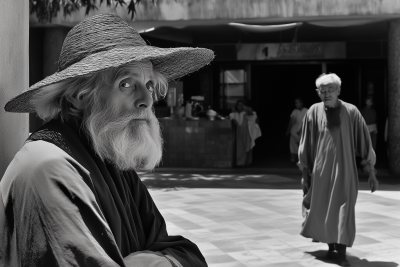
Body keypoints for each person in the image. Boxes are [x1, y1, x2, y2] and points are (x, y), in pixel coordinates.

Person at [0, 13, 214, 267]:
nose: (147, 99)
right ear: (79, 96)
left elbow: (182, 251)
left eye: (148, 84)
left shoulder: (108, 158)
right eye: (126, 83)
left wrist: (156, 262)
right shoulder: (48, 166)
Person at [298, 73, 379, 267]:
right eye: (322, 91)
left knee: (344, 210)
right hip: (320, 172)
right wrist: (304, 175)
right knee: (325, 209)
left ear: (338, 91)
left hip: (345, 172)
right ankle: (331, 246)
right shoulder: (313, 112)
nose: (326, 94)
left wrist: (371, 172)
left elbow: (364, 143)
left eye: (330, 90)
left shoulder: (351, 112)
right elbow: (306, 144)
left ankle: (341, 253)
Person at [229, 99, 260, 167]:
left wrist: (244, 107)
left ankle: (247, 162)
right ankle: (240, 163)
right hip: (238, 131)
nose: (239, 107)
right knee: (240, 147)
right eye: (238, 105)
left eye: (241, 105)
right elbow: (231, 118)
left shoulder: (246, 112)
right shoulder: (234, 113)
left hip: (246, 131)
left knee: (247, 146)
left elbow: (252, 114)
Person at [286, 97, 308, 163]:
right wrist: (288, 131)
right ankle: (293, 159)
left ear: (301, 103)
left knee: (303, 145)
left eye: (297, 102)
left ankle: (303, 160)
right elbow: (291, 122)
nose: (296, 104)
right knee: (293, 145)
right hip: (294, 131)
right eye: (295, 103)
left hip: (303, 131)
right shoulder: (294, 111)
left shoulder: (306, 110)